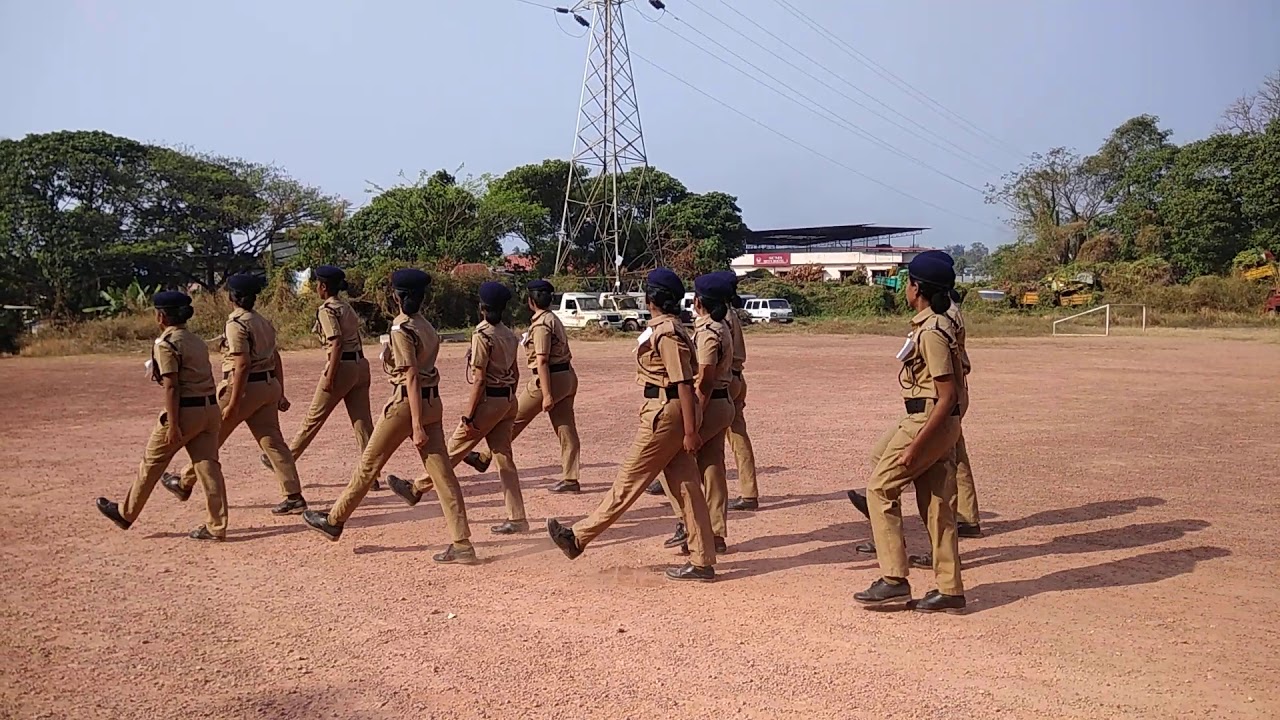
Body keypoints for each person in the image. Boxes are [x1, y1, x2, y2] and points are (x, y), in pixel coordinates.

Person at [545, 268, 718, 582]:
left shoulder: (666, 332)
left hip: (665, 412)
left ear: (652, 298)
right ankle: (703, 560)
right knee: (688, 488)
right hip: (669, 410)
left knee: (628, 482)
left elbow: (682, 382)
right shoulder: (666, 328)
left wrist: (691, 432)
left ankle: (577, 538)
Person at [302, 269, 476, 564]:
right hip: (432, 402)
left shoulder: (400, 328)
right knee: (444, 477)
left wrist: (416, 425)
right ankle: (462, 544)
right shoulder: (426, 326)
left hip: (407, 405)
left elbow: (410, 377)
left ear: (396, 296)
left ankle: (334, 520)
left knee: (369, 464)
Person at [846, 251, 982, 567]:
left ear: (917, 287)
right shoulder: (939, 317)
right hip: (934, 404)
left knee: (908, 479)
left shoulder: (937, 323)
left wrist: (916, 446)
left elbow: (951, 377)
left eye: (908, 282)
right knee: (933, 472)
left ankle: (895, 566)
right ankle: (937, 560)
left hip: (936, 405)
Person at [159, 273, 307, 515]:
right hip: (267, 384)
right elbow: (275, 356)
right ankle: (293, 495)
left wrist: (234, 402)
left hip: (244, 387)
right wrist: (279, 390)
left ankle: (184, 482)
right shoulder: (262, 322)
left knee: (211, 439)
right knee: (273, 441)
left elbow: (242, 364)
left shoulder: (236, 323)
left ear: (232, 297)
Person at [386, 281, 527, 534]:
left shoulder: (483, 335)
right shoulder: (510, 334)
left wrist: (469, 415)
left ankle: (416, 488)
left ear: (482, 307)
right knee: (504, 459)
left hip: (489, 402)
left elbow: (480, 379)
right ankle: (517, 517)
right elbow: (515, 372)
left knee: (451, 450)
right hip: (508, 400)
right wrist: (509, 400)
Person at [96, 291, 229, 541]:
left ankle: (126, 513)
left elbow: (172, 386)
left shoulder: (167, 344)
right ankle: (216, 525)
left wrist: (173, 424)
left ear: (160, 316)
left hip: (185, 411)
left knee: (153, 462)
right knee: (209, 467)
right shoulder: (196, 341)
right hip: (210, 408)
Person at [460, 279, 581, 494]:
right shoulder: (552, 319)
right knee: (565, 428)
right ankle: (571, 477)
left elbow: (542, 360)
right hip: (566, 375)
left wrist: (546, 394)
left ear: (530, 301)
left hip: (548, 379)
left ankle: (484, 457)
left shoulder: (542, 324)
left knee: (514, 418)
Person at [266, 265, 378, 489]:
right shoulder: (346, 307)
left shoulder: (327, 310)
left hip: (341, 366)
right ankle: (372, 475)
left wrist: (330, 375)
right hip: (359, 364)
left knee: (313, 419)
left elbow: (335, 342)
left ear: (323, 287)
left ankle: (286, 459)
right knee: (363, 425)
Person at [661, 272, 736, 555]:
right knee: (712, 466)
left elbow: (704, 377)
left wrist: (695, 417)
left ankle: (687, 523)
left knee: (674, 459)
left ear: (698, 302)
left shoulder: (706, 331)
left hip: (710, 402)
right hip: (724, 401)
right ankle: (715, 532)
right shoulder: (722, 325)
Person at [720, 271, 760, 511]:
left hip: (725, 381)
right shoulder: (731, 313)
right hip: (736, 378)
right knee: (738, 437)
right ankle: (749, 491)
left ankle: (676, 479)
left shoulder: (722, 315)